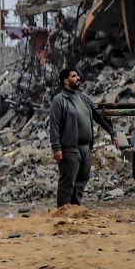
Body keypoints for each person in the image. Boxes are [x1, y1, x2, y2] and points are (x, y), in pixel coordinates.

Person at [49, 67, 112, 207]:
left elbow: (98, 117)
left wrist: (112, 133)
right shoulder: (59, 100)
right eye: (73, 76)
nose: (78, 78)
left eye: (77, 75)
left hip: (86, 148)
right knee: (67, 183)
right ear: (66, 80)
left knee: (81, 182)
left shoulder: (84, 99)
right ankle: (63, 213)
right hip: (69, 149)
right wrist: (56, 148)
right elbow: (54, 126)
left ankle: (76, 210)